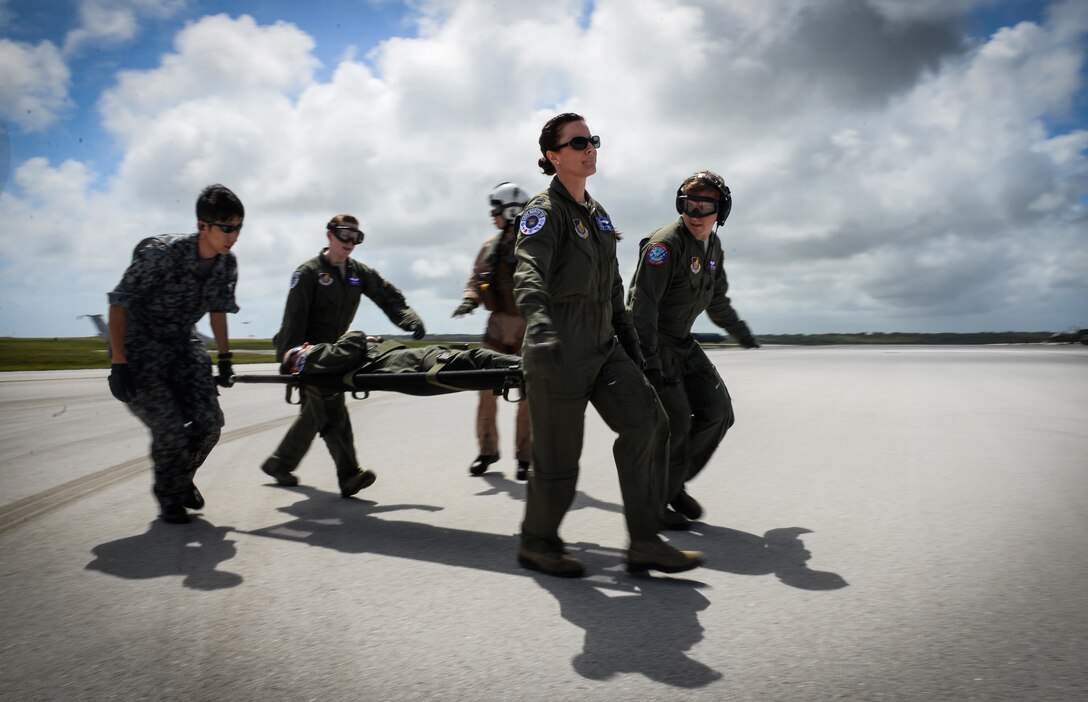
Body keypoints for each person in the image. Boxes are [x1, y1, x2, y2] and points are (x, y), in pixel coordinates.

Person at [512, 112, 704, 577]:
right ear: (553, 156)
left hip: (603, 347)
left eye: (592, 140)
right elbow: (527, 271)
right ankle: (538, 542)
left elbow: (614, 290)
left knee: (650, 424)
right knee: (559, 460)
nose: (589, 148)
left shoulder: (598, 217)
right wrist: (538, 324)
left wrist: (632, 345)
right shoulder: (544, 212)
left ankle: (644, 542)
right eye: (578, 142)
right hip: (557, 351)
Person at [627, 171, 760, 530]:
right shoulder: (664, 245)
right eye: (689, 206)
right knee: (677, 424)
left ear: (722, 211)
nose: (696, 214)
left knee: (719, 413)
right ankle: (655, 503)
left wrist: (741, 332)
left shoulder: (713, 249)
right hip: (654, 343)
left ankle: (671, 485)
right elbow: (641, 308)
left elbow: (717, 301)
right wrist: (650, 362)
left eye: (706, 207)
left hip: (684, 342)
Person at [106, 183, 244, 524]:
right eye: (226, 228)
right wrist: (119, 363)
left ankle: (179, 480)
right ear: (203, 226)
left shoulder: (227, 265)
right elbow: (119, 303)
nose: (233, 236)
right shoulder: (161, 253)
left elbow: (218, 311)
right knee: (169, 428)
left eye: (238, 228)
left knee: (211, 423)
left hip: (183, 342)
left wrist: (225, 359)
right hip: (139, 344)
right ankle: (170, 497)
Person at [261, 215, 426, 497]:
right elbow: (293, 319)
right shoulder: (308, 273)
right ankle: (349, 476)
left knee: (314, 413)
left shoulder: (357, 273)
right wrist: (289, 359)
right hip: (309, 355)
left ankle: (280, 463)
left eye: (356, 237)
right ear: (329, 236)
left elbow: (387, 296)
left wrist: (409, 319)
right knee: (330, 407)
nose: (350, 242)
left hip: (335, 353)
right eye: (344, 235)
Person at [452, 182, 532, 480]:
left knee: (529, 398)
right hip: (496, 329)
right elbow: (475, 278)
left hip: (528, 330)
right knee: (485, 390)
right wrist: (468, 300)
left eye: (496, 211)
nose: (492, 216)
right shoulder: (489, 247)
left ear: (511, 212)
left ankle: (526, 457)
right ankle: (487, 451)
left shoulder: (536, 246)